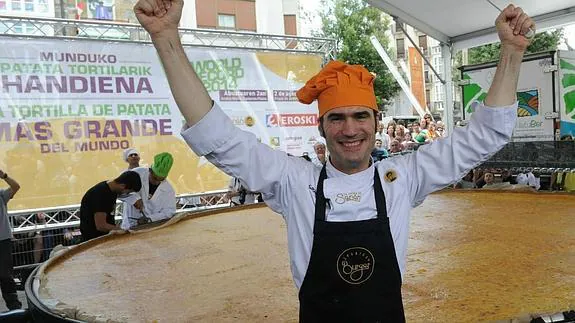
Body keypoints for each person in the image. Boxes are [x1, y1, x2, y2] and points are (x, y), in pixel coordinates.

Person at [134, 0, 533, 320]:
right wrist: (166, 37)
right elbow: (215, 135)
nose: (350, 129)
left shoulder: (403, 176)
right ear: (321, 126)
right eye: (337, 118)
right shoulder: (291, 181)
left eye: (361, 116)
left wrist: (512, 52)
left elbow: (484, 135)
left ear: (377, 121)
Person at [80, 171, 142, 242]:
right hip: (94, 240)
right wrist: (123, 230)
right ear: (122, 186)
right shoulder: (100, 194)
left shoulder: (112, 188)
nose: (127, 194)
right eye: (128, 192)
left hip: (107, 236)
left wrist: (136, 200)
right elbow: (101, 226)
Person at [121, 152, 177, 230]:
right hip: (130, 224)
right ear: (150, 170)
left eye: (161, 180)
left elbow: (169, 212)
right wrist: (134, 199)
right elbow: (118, 188)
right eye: (155, 178)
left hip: (152, 228)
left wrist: (150, 218)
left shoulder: (169, 190)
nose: (157, 182)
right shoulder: (136, 173)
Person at [0, 169, 22, 311]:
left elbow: (16, 187)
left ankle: (14, 307)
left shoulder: (1, 194)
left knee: (5, 275)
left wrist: (4, 176)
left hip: (3, 240)